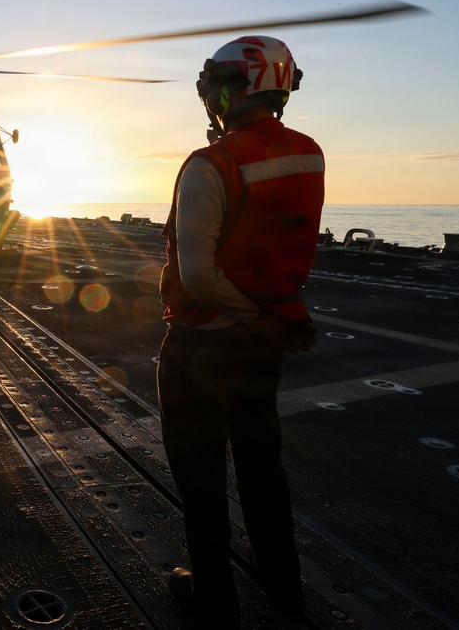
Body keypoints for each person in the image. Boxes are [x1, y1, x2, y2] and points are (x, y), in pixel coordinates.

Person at [156, 35, 325, 627]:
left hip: (204, 343)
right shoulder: (309, 153)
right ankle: (282, 581)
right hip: (262, 344)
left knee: (200, 475)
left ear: (232, 89)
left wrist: (252, 317)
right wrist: (270, 321)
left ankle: (213, 596)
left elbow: (198, 275)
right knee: (261, 465)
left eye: (213, 84)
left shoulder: (211, 163)